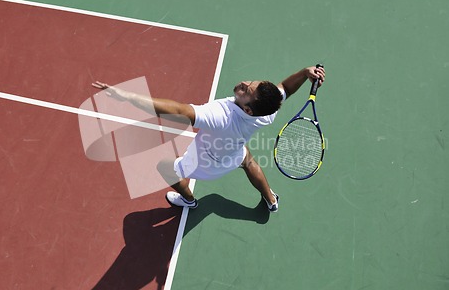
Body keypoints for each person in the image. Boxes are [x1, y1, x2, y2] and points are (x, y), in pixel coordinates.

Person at [92, 65, 325, 213]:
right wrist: (305, 73)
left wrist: (128, 96)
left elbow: (178, 110)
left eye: (247, 91)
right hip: (233, 154)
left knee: (164, 167)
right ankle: (271, 199)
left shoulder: (220, 116)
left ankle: (189, 201)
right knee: (248, 161)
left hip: (204, 164)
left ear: (249, 109)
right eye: (250, 83)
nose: (244, 84)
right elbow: (285, 88)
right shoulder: (268, 110)